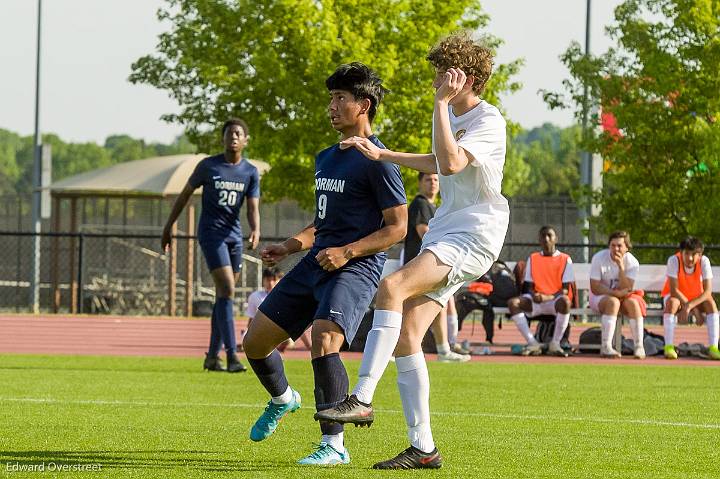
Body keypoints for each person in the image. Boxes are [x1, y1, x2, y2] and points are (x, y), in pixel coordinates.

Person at [316, 32, 509, 470]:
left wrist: (441, 104)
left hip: (474, 232)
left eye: (445, 72)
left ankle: (362, 397)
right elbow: (438, 160)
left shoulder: (489, 120)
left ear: (467, 78)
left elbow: (454, 163)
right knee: (406, 334)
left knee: (392, 286)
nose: (437, 80)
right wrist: (381, 153)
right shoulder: (453, 116)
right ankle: (423, 448)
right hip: (449, 228)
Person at [241, 62, 407, 466]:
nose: (331, 107)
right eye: (330, 99)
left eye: (340, 99)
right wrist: (288, 246)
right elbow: (324, 223)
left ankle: (334, 445)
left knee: (324, 339)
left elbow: (398, 227)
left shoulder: (379, 160)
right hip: (317, 262)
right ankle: (284, 399)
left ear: (363, 105)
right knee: (255, 343)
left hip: (355, 267)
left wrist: (348, 252)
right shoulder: (327, 158)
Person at [161, 118, 259, 373]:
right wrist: (168, 227)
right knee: (227, 289)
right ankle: (232, 356)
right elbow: (184, 196)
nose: (233, 137)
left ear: (246, 140)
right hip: (211, 234)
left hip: (234, 237)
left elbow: (252, 207)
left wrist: (256, 229)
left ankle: (212, 357)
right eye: (229, 133)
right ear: (223, 138)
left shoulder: (250, 171)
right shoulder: (208, 166)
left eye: (238, 133)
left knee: (223, 297)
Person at [405, 172, 469, 362]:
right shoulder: (420, 204)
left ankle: (443, 350)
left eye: (435, 179)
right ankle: (395, 350)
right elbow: (424, 232)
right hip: (421, 264)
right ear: (419, 183)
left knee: (440, 303)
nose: (432, 183)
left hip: (432, 264)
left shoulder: (436, 207)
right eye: (428, 179)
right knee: (411, 310)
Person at [507, 226, 574, 357]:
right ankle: (532, 343)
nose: (546, 239)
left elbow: (565, 289)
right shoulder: (533, 258)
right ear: (539, 239)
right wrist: (534, 295)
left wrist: (548, 297)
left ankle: (555, 344)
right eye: (543, 236)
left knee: (565, 302)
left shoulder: (566, 259)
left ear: (556, 239)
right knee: (513, 303)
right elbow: (529, 286)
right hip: (536, 301)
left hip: (555, 301)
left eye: (549, 235)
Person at [661, 236, 720, 360]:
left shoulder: (704, 261)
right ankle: (669, 347)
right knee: (672, 303)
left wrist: (689, 306)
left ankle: (713, 348)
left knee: (711, 303)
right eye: (686, 253)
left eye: (694, 254)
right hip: (676, 297)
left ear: (700, 254)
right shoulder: (674, 260)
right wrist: (695, 311)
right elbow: (674, 291)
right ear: (681, 252)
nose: (690, 258)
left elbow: (708, 291)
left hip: (694, 300)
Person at [589, 231, 645, 359]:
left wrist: (621, 267)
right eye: (613, 245)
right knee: (613, 302)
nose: (616, 249)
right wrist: (614, 293)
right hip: (600, 297)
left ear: (626, 247)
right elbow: (595, 287)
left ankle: (639, 346)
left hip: (623, 297)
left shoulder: (632, 262)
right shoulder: (599, 258)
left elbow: (627, 288)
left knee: (633, 303)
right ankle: (606, 346)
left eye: (619, 246)